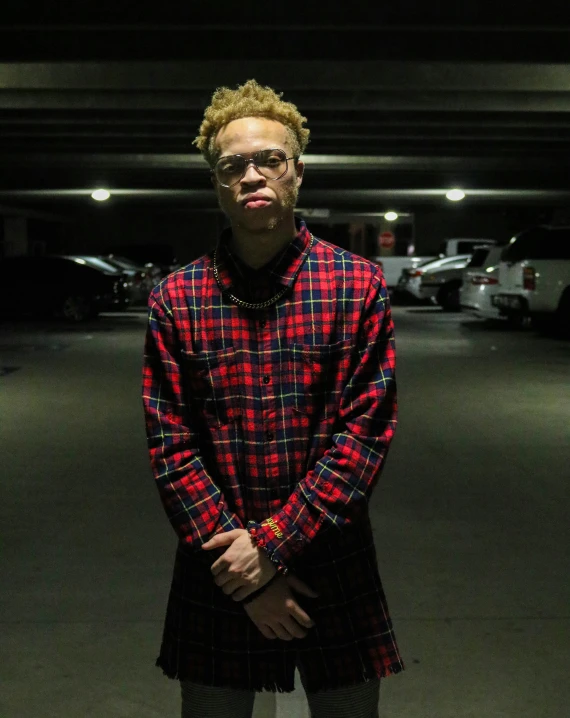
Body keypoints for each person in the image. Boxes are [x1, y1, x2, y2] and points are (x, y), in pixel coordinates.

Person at [142, 79, 404, 718]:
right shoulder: (176, 299)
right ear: (216, 183)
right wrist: (245, 570)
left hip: (330, 559)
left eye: (270, 160)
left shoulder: (357, 285)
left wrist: (271, 548)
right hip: (219, 564)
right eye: (233, 165)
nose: (252, 174)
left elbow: (363, 436)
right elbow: (171, 444)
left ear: (298, 172)